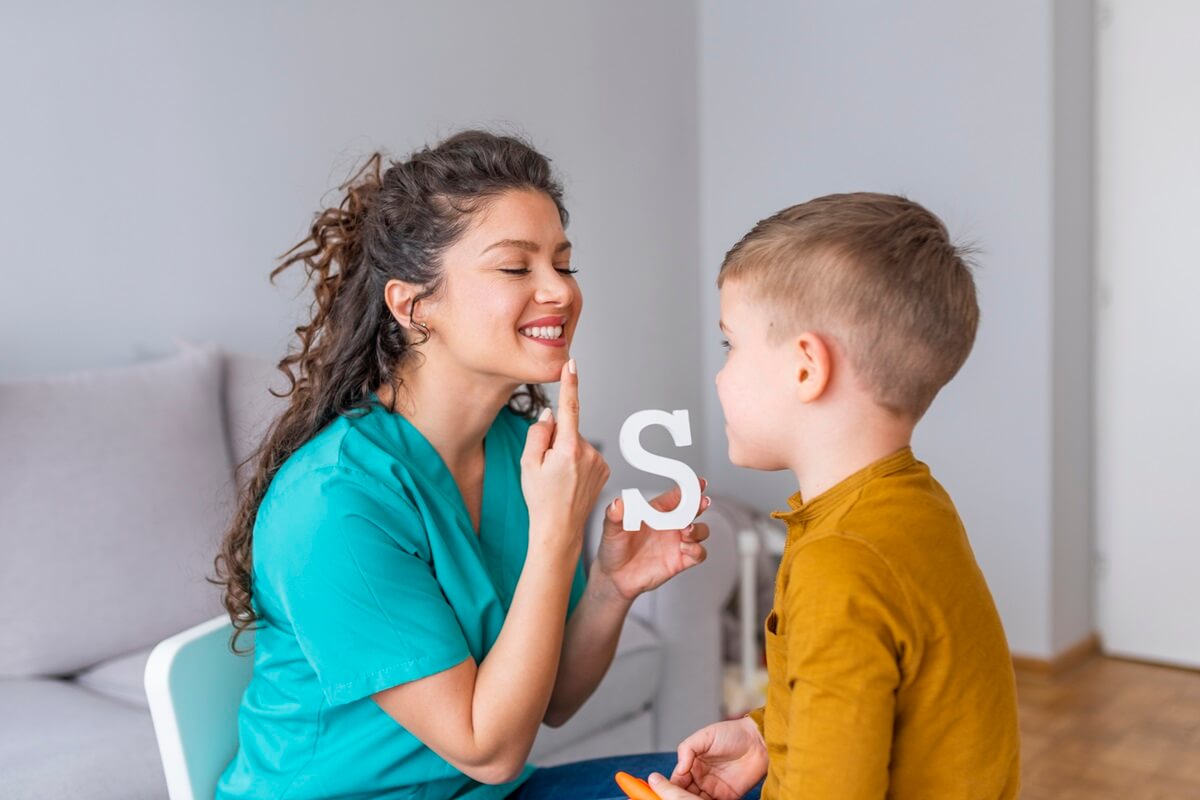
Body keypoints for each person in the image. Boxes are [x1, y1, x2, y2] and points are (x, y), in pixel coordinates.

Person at [213, 130, 713, 799]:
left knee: (750, 781)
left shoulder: (517, 450)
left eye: (563, 265)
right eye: (516, 268)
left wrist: (610, 589)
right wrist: (556, 535)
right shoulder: (334, 502)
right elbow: (490, 748)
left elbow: (551, 696)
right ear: (413, 305)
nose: (559, 292)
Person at [647, 193, 1020, 800]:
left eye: (731, 346)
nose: (720, 374)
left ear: (805, 368)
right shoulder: (914, 505)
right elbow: (878, 706)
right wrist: (767, 735)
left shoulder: (840, 564)